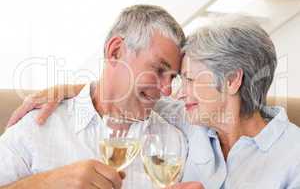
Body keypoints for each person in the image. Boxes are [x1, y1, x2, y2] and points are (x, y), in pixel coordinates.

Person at [7, 15, 300, 189]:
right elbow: (118, 94)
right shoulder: (188, 119)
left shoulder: (293, 155)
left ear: (232, 81)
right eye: (174, 77)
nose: (173, 92)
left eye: (187, 80)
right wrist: (69, 90)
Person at [0, 4, 203, 189]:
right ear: (115, 52)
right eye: (159, 70)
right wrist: (45, 184)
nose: (167, 90)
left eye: (172, 77)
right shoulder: (38, 125)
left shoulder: (174, 142)